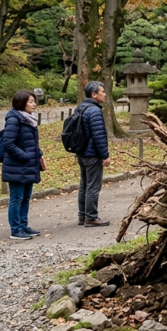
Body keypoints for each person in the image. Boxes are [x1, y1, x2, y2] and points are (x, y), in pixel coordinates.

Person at [1, 90, 45, 240]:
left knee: (26, 198)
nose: (34, 104)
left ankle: (23, 226)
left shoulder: (29, 119)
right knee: (16, 198)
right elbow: (8, 143)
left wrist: (39, 155)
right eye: (31, 101)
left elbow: (31, 142)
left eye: (34, 101)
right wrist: (25, 156)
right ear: (22, 102)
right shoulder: (14, 119)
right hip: (17, 166)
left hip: (29, 165)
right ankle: (15, 229)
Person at [76, 81, 111, 227]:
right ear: (94, 94)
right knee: (93, 186)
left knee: (84, 184)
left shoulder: (81, 108)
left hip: (81, 152)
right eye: (102, 92)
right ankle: (91, 217)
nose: (104, 94)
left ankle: (82, 215)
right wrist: (105, 155)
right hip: (92, 154)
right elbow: (99, 136)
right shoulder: (95, 111)